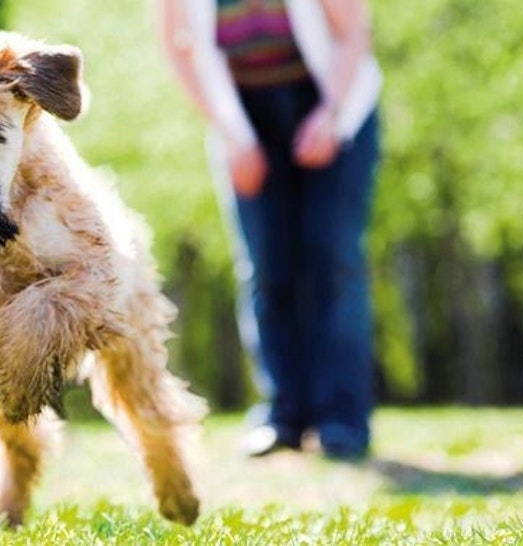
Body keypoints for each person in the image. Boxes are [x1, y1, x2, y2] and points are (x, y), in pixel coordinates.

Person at [159, 0, 382, 459]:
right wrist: (231, 135)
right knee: (265, 266)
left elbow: (354, 33)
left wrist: (331, 116)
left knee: (332, 261)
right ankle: (282, 415)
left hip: (331, 101)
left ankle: (342, 419)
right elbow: (178, 52)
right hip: (245, 119)